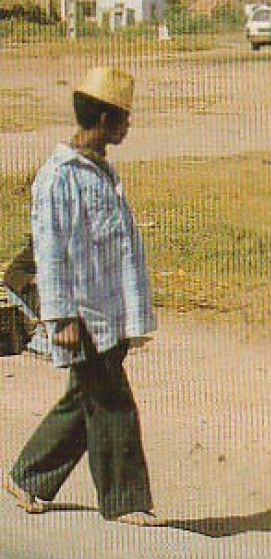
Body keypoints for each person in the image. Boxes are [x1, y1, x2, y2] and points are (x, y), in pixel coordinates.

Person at [4, 68, 161, 526]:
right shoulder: (58, 177)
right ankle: (127, 500)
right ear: (106, 119)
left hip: (108, 310)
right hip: (81, 312)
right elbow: (49, 253)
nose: (129, 127)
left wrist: (134, 317)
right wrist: (61, 317)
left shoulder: (100, 171)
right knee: (112, 402)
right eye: (124, 119)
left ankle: (29, 478)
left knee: (86, 397)